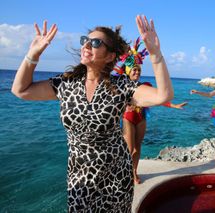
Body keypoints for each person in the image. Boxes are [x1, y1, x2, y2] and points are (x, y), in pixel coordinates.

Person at [11, 16, 173, 212]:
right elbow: (20, 90)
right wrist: (33, 54)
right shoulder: (66, 84)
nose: (86, 45)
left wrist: (155, 54)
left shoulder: (121, 86)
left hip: (116, 175)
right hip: (80, 177)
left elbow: (163, 95)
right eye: (85, 41)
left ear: (110, 56)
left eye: (95, 43)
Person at [115, 37, 187, 184]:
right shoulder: (120, 86)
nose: (137, 72)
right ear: (128, 71)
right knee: (129, 149)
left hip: (141, 117)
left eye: (138, 70)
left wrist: (174, 106)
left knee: (137, 147)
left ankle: (134, 172)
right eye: (134, 70)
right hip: (127, 118)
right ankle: (123, 172)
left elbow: (157, 99)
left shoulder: (145, 85)